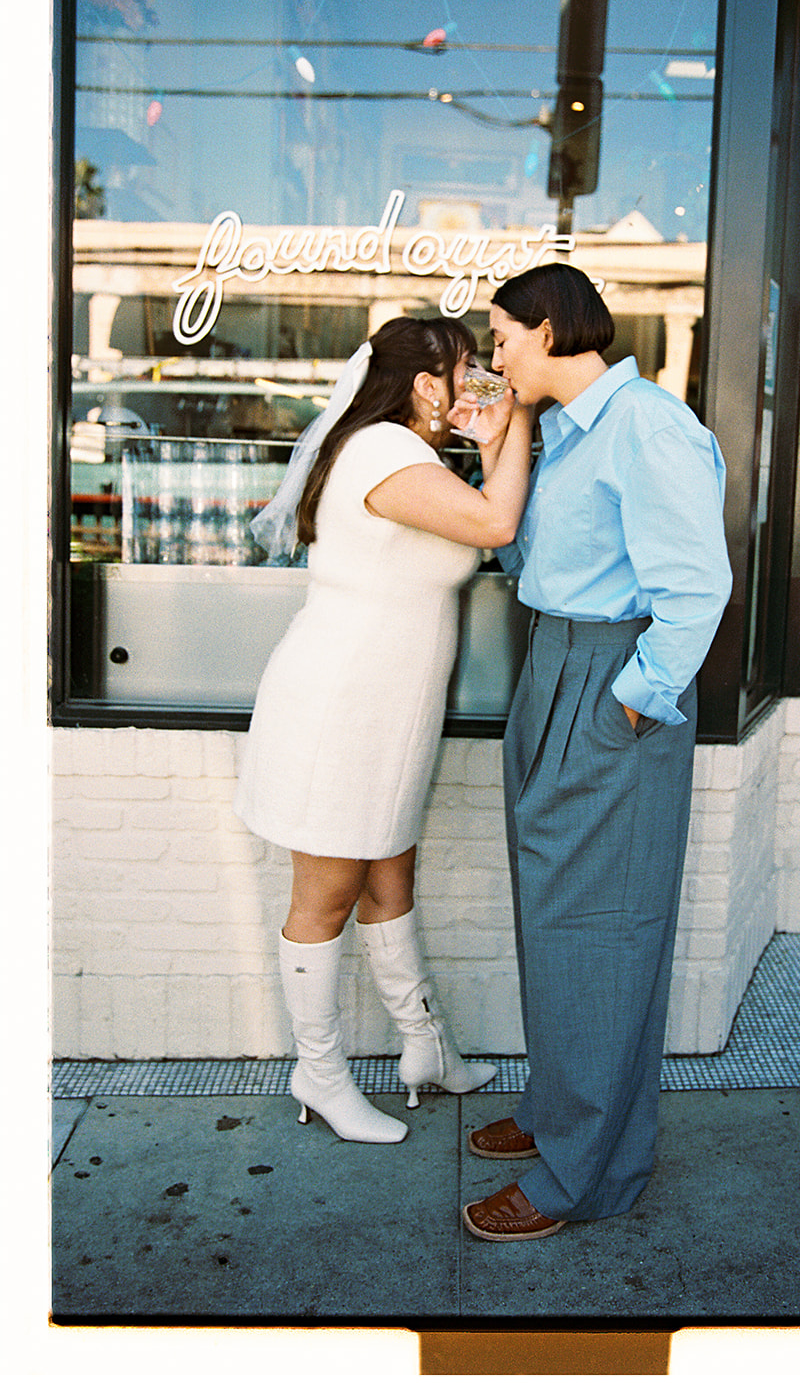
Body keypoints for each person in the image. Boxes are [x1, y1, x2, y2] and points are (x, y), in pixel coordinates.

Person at [461, 263, 731, 1239]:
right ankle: (558, 1112)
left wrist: (630, 701)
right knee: (556, 913)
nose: (493, 358)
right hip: (552, 663)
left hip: (608, 675)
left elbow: (696, 586)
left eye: (500, 338)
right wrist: (499, 445)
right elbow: (526, 564)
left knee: (601, 925)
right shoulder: (564, 432)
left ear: (546, 329)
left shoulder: (646, 425)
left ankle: (588, 1173)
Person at [234, 315, 532, 1144]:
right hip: (339, 708)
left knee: (390, 878)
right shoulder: (382, 453)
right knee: (326, 895)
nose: (484, 384)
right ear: (426, 383)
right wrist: (516, 425)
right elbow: (494, 525)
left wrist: (487, 435)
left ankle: (423, 1046)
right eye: (470, 371)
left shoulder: (412, 453)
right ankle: (320, 1073)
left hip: (388, 712)